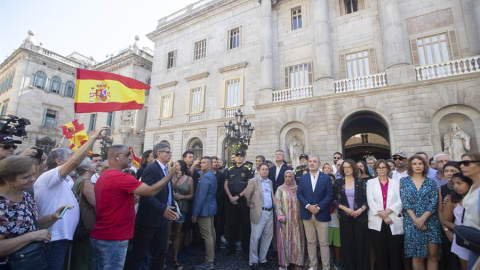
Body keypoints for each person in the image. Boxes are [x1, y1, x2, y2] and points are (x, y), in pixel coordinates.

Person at [34, 126, 109, 270]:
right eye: (70, 158)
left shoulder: (67, 179)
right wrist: (92, 138)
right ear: (59, 162)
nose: (78, 161)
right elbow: (75, 162)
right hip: (53, 238)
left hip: (63, 237)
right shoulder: (50, 177)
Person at [94, 144, 178, 270]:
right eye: (128, 155)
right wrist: (168, 177)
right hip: (119, 232)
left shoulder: (105, 176)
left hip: (112, 232)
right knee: (139, 254)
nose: (131, 158)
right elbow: (149, 192)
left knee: (160, 251)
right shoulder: (126, 176)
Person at [0, 156, 70, 269]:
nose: (33, 179)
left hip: (32, 262)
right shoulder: (2, 204)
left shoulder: (26, 196)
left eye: (33, 174)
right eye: (26, 177)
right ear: (7, 179)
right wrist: (31, 237)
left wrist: (52, 217)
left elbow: (33, 225)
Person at [123, 143, 179, 270]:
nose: (170, 154)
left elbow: (167, 190)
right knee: (140, 252)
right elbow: (146, 194)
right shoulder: (151, 169)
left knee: (161, 251)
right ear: (158, 153)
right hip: (149, 219)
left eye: (170, 152)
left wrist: (170, 206)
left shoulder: (167, 169)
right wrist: (162, 208)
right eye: (167, 152)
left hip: (163, 218)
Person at [399, 155, 441, 270]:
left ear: (424, 166)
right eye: (415, 164)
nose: (418, 166)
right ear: (410, 166)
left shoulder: (431, 182)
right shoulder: (404, 181)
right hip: (412, 222)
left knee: (433, 255)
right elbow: (405, 201)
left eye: (420, 163)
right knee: (417, 256)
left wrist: (423, 219)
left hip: (430, 221)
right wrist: (416, 220)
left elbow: (434, 201)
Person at [367, 159, 404, 270]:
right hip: (377, 221)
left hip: (393, 219)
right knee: (380, 252)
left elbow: (400, 200)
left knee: (395, 252)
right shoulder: (370, 183)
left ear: (388, 169)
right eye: (379, 168)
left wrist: (387, 212)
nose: (381, 170)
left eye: (384, 167)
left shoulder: (396, 182)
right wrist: (384, 216)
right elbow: (371, 201)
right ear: (375, 170)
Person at [297, 155, 333, 270]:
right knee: (311, 242)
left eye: (314, 161)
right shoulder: (303, 178)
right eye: (310, 161)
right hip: (307, 214)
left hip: (322, 214)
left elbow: (329, 195)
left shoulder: (325, 178)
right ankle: (313, 265)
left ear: (319, 164)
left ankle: (326, 267)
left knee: (323, 243)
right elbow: (299, 194)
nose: (312, 163)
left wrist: (319, 207)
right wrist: (308, 206)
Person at [333, 159, 370, 270]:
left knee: (361, 245)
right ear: (342, 169)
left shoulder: (361, 182)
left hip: (360, 218)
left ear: (353, 168)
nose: (347, 169)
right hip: (345, 218)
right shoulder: (338, 183)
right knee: (347, 246)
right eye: (345, 167)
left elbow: (367, 200)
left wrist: (360, 210)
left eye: (349, 167)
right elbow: (334, 200)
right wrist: (347, 209)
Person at [245, 163, 274, 270]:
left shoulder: (270, 182)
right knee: (255, 237)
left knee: (267, 237)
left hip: (270, 212)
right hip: (259, 212)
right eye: (263, 169)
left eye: (266, 169)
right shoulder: (253, 181)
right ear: (259, 170)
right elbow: (248, 195)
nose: (265, 171)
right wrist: (253, 206)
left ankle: (262, 259)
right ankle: (253, 261)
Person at [224, 150, 253, 255]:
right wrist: (231, 197)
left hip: (242, 200)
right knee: (232, 224)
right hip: (231, 200)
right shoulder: (229, 169)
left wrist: (238, 197)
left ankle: (246, 249)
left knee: (245, 224)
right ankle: (231, 248)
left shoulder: (248, 169)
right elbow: (225, 184)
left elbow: (249, 185)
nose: (239, 158)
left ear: (244, 158)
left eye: (241, 156)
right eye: (237, 156)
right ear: (235, 158)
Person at [275, 169, 306, 270]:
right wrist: (280, 216)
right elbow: (277, 204)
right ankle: (284, 263)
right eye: (286, 177)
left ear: (293, 177)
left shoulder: (298, 189)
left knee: (297, 240)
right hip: (285, 220)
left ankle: (297, 262)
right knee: (284, 241)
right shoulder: (280, 189)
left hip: (297, 220)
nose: (288, 178)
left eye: (290, 177)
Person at [442, 173, 473, 270]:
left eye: (459, 183)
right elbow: (445, 220)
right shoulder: (452, 199)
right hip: (462, 238)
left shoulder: (475, 197)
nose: (456, 186)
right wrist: (458, 229)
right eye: (453, 184)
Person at [71, 157, 97, 270]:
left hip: (80, 224)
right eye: (92, 163)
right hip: (86, 225)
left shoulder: (78, 180)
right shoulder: (85, 182)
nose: (95, 164)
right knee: (84, 257)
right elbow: (96, 203)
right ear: (86, 168)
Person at [192, 157, 217, 270]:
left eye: (203, 163)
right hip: (210, 208)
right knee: (211, 232)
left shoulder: (207, 177)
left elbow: (201, 197)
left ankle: (209, 261)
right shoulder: (211, 175)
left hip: (204, 210)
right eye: (200, 163)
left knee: (207, 235)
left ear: (210, 164)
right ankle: (211, 255)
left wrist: (195, 214)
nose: (201, 165)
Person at [437, 161, 461, 270]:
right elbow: (440, 210)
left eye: (453, 171)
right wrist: (446, 230)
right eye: (446, 171)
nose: (449, 173)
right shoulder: (442, 188)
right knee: (448, 255)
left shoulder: (466, 186)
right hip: (446, 225)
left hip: (461, 224)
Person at [458, 152, 480, 269]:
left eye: (466, 163)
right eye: (460, 163)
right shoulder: (473, 185)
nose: (461, 166)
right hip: (473, 241)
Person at [172, 160, 194, 270]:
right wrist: (176, 179)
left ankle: (175, 258)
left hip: (182, 208)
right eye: (174, 166)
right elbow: (169, 188)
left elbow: (191, 195)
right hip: (170, 208)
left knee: (177, 233)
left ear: (182, 167)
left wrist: (181, 197)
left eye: (177, 165)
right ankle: (163, 256)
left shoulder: (189, 179)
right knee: (167, 234)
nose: (175, 167)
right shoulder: (170, 177)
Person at [326, 173, 341, 270]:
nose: (330, 182)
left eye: (332, 180)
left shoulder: (338, 190)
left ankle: (338, 261)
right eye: (328, 180)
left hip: (336, 219)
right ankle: (328, 261)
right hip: (326, 219)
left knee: (337, 243)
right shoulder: (323, 191)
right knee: (327, 243)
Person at [211, 156, 226, 249]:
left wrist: (216, 199)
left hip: (218, 202)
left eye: (217, 162)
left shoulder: (221, 175)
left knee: (218, 223)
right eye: (214, 162)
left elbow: (222, 189)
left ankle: (217, 243)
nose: (216, 163)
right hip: (209, 203)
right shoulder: (207, 174)